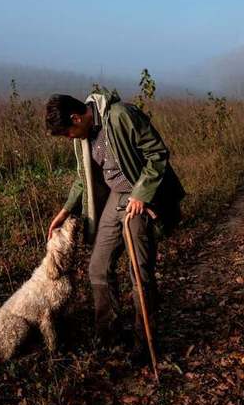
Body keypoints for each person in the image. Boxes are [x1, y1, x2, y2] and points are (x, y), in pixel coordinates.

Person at [45, 88, 185, 363]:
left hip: (139, 196)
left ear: (76, 118)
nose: (69, 138)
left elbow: (157, 154)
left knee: (139, 271)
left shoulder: (121, 115)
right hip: (116, 197)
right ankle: (109, 337)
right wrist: (64, 211)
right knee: (98, 267)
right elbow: (83, 178)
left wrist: (141, 194)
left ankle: (144, 342)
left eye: (67, 133)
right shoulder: (83, 136)